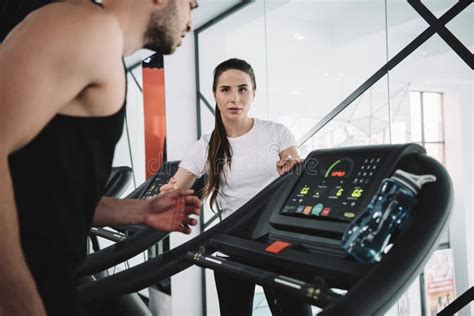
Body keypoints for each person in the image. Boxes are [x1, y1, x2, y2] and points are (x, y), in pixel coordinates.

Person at [0, 1, 201, 315]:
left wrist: (141, 211)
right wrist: (15, 294)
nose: (190, 21)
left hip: (51, 281)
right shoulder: (92, 27)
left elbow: (43, 190)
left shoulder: (103, 48)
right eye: (191, 4)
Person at [160, 58, 311, 316]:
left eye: (243, 89)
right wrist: (167, 194)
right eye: (226, 90)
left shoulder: (276, 132)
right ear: (215, 95)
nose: (235, 98)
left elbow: (295, 167)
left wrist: (291, 168)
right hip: (236, 240)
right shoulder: (205, 146)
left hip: (277, 237)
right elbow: (175, 187)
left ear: (254, 93)